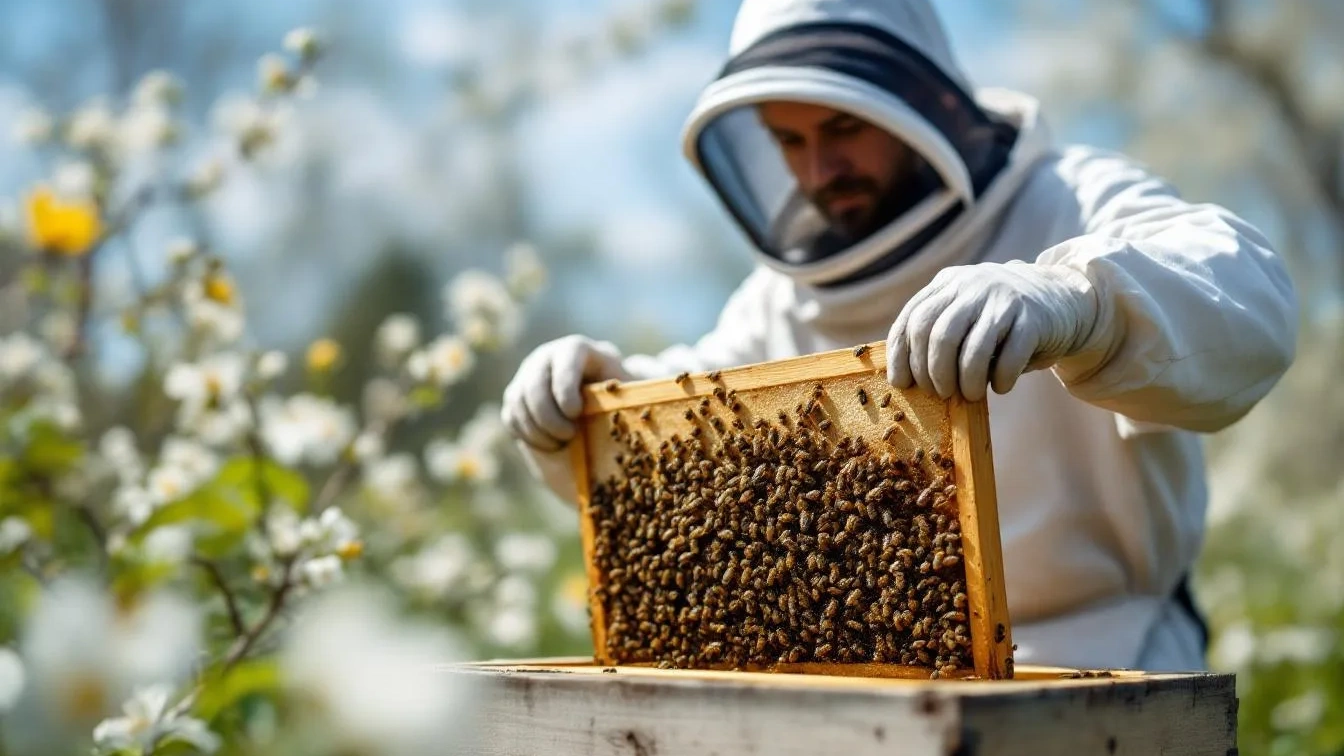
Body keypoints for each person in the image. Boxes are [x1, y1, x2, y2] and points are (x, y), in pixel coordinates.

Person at [501, 0, 1298, 671]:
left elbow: (1248, 297)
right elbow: (699, 428)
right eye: (789, 141)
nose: (818, 170)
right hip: (873, 693)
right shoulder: (779, 300)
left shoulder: (1067, 197)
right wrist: (591, 400)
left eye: (843, 125)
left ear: (925, 104)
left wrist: (1076, 298)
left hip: (1109, 664)